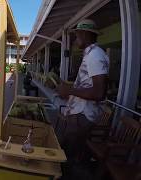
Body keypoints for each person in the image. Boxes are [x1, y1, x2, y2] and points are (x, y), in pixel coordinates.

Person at [56, 19, 109, 176]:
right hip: (80, 113)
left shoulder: (95, 55)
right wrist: (69, 87)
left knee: (67, 155)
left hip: (83, 115)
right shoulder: (91, 54)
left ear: (85, 34)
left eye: (77, 35)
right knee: (68, 151)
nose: (75, 38)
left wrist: (70, 91)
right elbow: (89, 85)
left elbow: (99, 93)